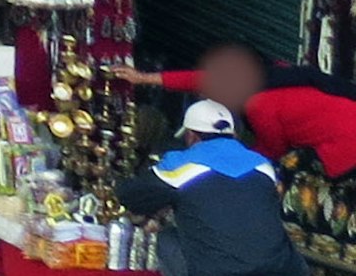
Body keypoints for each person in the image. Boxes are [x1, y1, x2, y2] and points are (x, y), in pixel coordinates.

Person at [121, 98, 310, 276]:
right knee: (270, 235)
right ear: (233, 135)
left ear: (191, 136)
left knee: (168, 240)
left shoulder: (180, 166)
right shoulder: (264, 166)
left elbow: (129, 195)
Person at [120, 42, 356, 183]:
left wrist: (229, 157)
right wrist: (144, 78)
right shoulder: (271, 75)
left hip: (343, 145)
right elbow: (201, 80)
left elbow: (273, 150)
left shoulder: (258, 105)